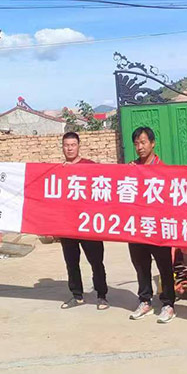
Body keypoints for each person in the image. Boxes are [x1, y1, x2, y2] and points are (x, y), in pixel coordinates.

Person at [126, 126, 177, 324]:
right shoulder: (131, 169)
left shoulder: (163, 170)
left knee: (164, 267)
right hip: (138, 227)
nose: (140, 147)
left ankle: (168, 304)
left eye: (143, 142)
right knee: (141, 266)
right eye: (136, 143)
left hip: (158, 228)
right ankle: (145, 301)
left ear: (153, 143)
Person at [58, 132, 109, 310]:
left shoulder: (90, 167)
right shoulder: (58, 170)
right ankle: (77, 295)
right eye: (66, 145)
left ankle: (102, 295)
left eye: (73, 144)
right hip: (68, 225)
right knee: (71, 262)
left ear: (78, 146)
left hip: (89, 224)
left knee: (96, 262)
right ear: (62, 147)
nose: (70, 148)